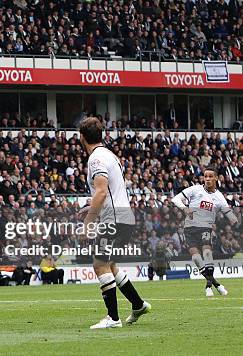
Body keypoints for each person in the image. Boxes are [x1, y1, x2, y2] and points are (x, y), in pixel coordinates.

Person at [79, 117, 150, 329]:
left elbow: (101, 190)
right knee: (110, 264)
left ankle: (113, 318)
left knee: (99, 264)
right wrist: (91, 207)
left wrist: (88, 221)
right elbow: (110, 191)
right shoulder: (110, 154)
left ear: (82, 137)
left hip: (114, 219)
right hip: (125, 217)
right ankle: (138, 305)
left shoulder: (96, 158)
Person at [171, 166, 239, 296]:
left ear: (216, 178)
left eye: (210, 176)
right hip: (189, 227)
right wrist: (185, 208)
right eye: (205, 176)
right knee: (196, 258)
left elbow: (227, 211)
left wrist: (233, 218)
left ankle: (209, 286)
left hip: (205, 227)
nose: (207, 179)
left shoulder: (219, 196)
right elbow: (175, 199)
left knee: (207, 252)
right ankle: (215, 284)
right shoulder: (195, 189)